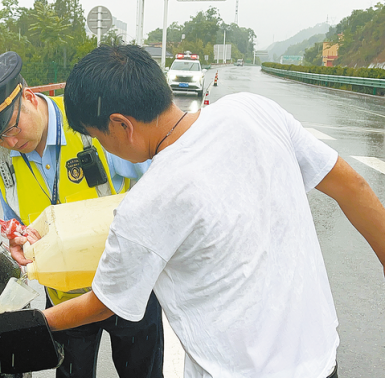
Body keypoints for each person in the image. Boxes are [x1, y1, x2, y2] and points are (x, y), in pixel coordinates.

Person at [41, 44, 385, 378]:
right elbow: (352, 187)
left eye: (99, 137)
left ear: (121, 125)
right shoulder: (254, 110)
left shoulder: (147, 204)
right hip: (320, 360)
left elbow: (104, 303)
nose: (105, 147)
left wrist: (34, 323)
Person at [0, 51, 164, 378]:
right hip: (66, 301)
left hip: (128, 289)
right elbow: (16, 222)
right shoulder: (1, 157)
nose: (9, 141)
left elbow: (159, 187)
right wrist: (19, 238)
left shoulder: (90, 122)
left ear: (30, 98)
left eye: (10, 127)